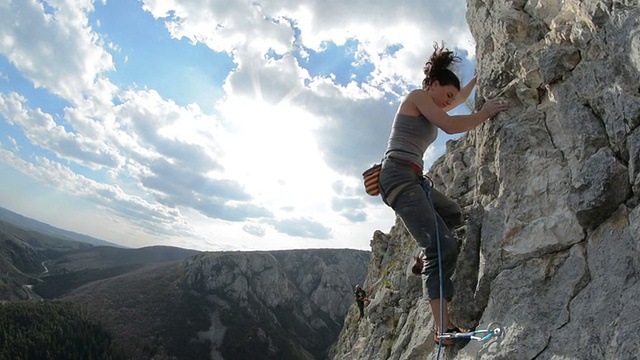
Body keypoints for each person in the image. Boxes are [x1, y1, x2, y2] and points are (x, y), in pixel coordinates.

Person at [378, 42, 508, 345]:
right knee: (443, 247)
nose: (451, 101)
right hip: (398, 176)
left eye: (452, 97)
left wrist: (480, 75)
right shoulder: (418, 96)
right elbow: (450, 126)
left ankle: (425, 251)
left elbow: (456, 100)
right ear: (434, 84)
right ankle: (443, 331)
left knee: (451, 214)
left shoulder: (432, 102)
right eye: (447, 95)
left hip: (412, 178)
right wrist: (486, 113)